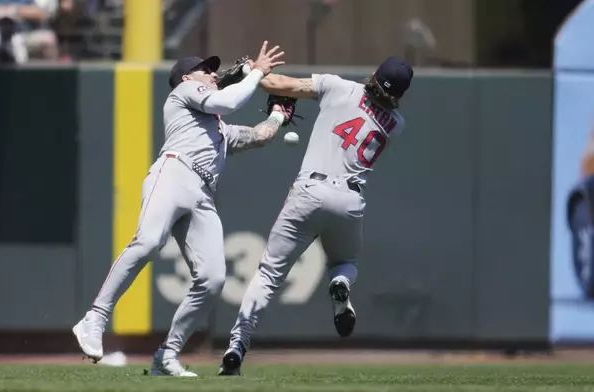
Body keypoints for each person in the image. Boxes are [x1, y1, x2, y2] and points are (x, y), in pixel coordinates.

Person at [73, 40, 288, 377]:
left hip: (203, 194)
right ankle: (94, 318)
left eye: (215, 69)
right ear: (187, 78)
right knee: (147, 242)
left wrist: (277, 115)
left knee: (214, 279)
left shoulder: (216, 127)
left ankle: (166, 355)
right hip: (174, 172)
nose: (214, 73)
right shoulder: (182, 95)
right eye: (207, 69)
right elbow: (227, 100)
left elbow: (258, 136)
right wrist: (256, 72)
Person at [218, 56, 414, 376]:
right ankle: (339, 284)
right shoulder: (397, 125)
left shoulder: (338, 87)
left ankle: (237, 345)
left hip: (310, 191)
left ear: (374, 74)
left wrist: (248, 69)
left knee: (268, 275)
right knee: (346, 263)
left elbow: (278, 85)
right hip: (350, 200)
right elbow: (376, 109)